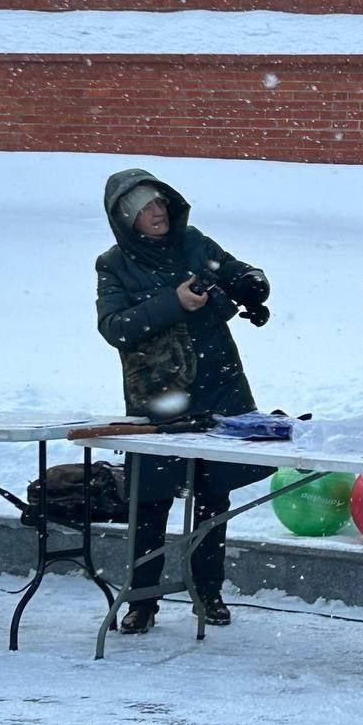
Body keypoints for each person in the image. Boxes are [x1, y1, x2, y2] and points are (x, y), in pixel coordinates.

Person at [96, 168, 272, 634]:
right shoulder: (114, 264)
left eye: (159, 203)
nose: (156, 213)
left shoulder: (194, 241)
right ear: (125, 220)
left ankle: (207, 590)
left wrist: (253, 281)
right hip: (159, 394)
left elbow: (231, 272)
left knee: (213, 494)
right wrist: (173, 301)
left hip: (217, 383)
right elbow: (115, 328)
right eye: (142, 209)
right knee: (150, 498)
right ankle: (141, 598)